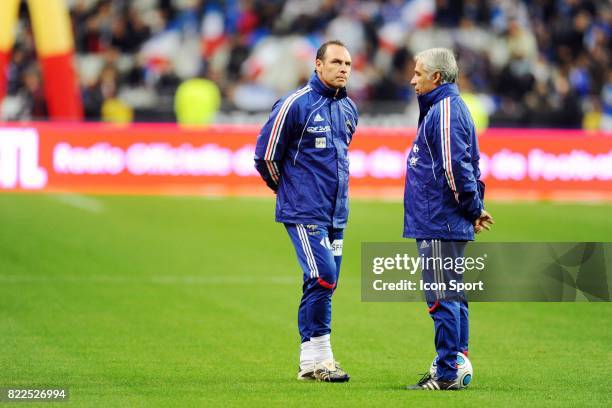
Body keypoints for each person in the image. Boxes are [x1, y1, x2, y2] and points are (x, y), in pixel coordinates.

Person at [254, 40, 358, 383]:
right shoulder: (295, 104)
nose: (343, 68)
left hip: (335, 214)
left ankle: (311, 362)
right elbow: (266, 155)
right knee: (323, 275)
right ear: (318, 65)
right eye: (336, 62)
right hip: (304, 211)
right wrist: (288, 191)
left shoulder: (349, 110)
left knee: (324, 283)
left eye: (347, 63)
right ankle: (320, 359)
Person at [403, 48, 493, 390]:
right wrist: (474, 207)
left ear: (436, 77)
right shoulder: (447, 108)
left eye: (418, 72)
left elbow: (455, 168)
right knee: (452, 294)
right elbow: (470, 165)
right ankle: (457, 363)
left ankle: (446, 372)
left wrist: (472, 208)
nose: (412, 79)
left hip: (438, 218)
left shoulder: (444, 111)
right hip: (442, 218)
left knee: (441, 296)